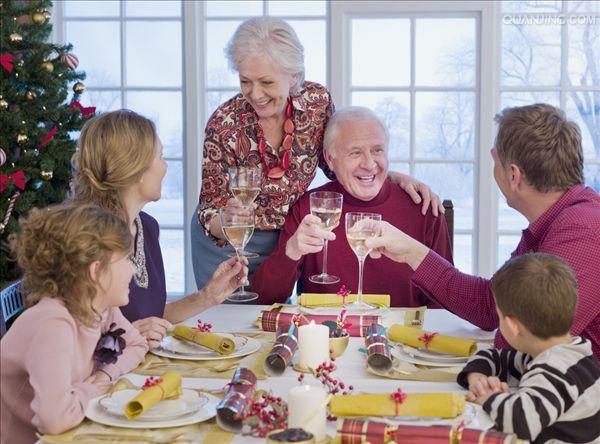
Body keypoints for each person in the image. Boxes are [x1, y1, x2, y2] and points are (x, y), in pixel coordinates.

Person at [191, 17, 444, 291]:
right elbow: (209, 210)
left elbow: (336, 159)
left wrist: (388, 176)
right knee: (233, 323)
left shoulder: (316, 104)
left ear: (294, 76)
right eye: (245, 81)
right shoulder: (224, 124)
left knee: (268, 315)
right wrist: (228, 221)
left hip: (287, 236)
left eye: (266, 82)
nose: (255, 94)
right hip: (228, 244)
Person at [364, 104, 600, 358]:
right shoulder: (555, 222)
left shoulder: (583, 232)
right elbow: (491, 305)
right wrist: (410, 251)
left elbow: (523, 344)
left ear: (513, 175)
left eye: (494, 160)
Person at [71, 110, 248, 348]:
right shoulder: (85, 238)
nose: (165, 167)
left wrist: (207, 296)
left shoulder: (147, 227)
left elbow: (151, 318)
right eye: (160, 156)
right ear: (138, 169)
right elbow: (68, 341)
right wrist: (126, 336)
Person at [252, 107, 453, 306]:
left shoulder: (424, 208)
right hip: (327, 335)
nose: (369, 164)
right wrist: (291, 251)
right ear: (330, 159)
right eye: (355, 153)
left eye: (377, 150)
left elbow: (445, 302)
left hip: (403, 336)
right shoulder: (308, 208)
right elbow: (264, 298)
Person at [0, 204, 148, 443]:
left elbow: (137, 345)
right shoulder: (52, 324)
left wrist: (103, 375)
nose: (133, 270)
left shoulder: (100, 307)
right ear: (96, 271)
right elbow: (55, 419)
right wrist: (91, 390)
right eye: (125, 260)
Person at [457, 253, 600, 443]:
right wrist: (476, 378)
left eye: (499, 316)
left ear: (513, 326)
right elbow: (495, 357)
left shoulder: (551, 371)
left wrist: (488, 397)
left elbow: (520, 421)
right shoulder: (571, 353)